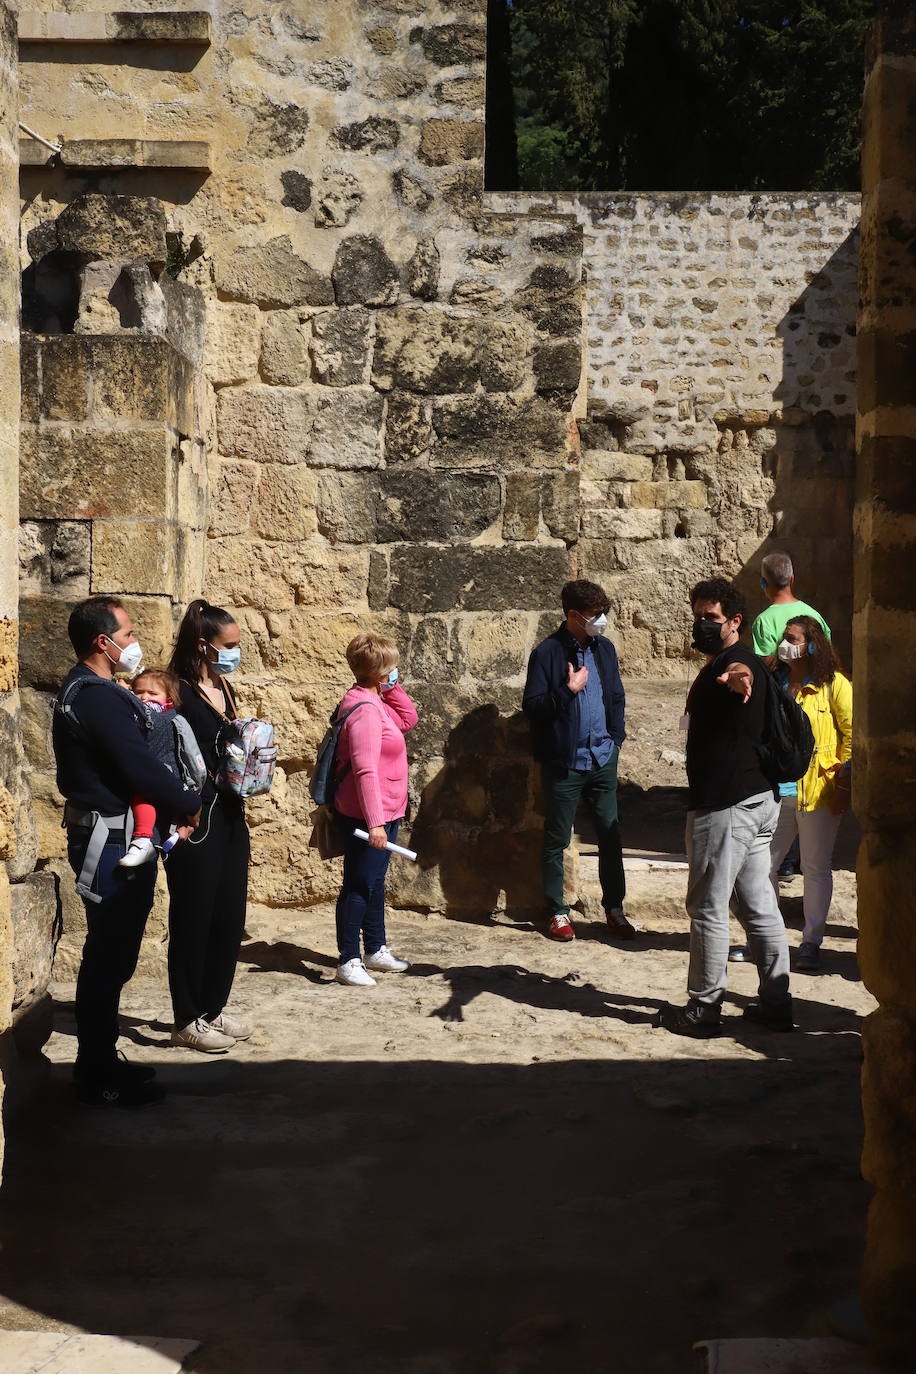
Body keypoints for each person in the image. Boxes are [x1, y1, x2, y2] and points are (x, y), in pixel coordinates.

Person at [52, 596, 201, 1107]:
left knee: (113, 956)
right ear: (103, 641)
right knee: (108, 955)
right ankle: (96, 1075)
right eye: (129, 634)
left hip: (114, 831)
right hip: (109, 837)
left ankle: (101, 1059)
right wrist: (187, 801)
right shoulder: (95, 696)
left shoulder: (91, 691)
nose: (134, 643)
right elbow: (137, 764)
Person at [657, 578, 792, 1037]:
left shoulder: (738, 665)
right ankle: (777, 1002)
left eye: (711, 618)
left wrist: (739, 680)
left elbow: (742, 683)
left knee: (709, 906)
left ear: (735, 621)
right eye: (697, 617)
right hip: (758, 801)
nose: (702, 625)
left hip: (727, 805)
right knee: (758, 904)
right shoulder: (735, 659)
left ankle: (703, 1007)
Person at [522, 579, 632, 943]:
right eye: (594, 615)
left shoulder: (605, 649)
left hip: (602, 757)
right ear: (572, 615)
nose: (601, 620)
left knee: (610, 835)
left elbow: (615, 696)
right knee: (557, 838)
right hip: (565, 762)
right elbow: (534, 707)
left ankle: (614, 908)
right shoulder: (548, 653)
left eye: (603, 613)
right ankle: (557, 911)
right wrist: (567, 691)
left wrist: (615, 740)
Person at [165, 600, 251, 1053]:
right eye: (228, 646)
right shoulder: (177, 690)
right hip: (195, 817)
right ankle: (186, 1016)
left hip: (231, 810)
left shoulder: (221, 684)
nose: (234, 654)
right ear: (203, 645)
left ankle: (213, 1008)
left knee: (228, 913)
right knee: (193, 916)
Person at [332, 633, 417, 986]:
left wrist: (392, 690)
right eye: (391, 668)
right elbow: (366, 769)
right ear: (379, 672)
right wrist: (376, 824)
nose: (396, 671)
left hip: (387, 808)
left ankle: (375, 947)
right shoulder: (365, 712)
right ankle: (349, 958)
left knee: (374, 881)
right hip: (370, 814)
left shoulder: (376, 700)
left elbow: (407, 720)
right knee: (359, 882)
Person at [769, 617, 852, 973]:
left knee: (816, 867)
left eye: (792, 638)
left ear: (811, 644)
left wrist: (844, 785)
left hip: (820, 790)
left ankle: (811, 941)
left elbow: (853, 736)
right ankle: (768, 937)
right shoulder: (778, 682)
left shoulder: (835, 685)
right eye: (784, 638)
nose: (785, 644)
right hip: (782, 787)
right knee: (764, 865)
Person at [118, 667, 202, 868]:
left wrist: (124, 694)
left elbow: (145, 717)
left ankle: (142, 840)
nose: (145, 697)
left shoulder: (161, 715)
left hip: (161, 774)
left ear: (169, 699)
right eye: (139, 692)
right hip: (162, 774)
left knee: (142, 799)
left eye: (153, 693)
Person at [751, 551, 830, 657]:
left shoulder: (763, 621)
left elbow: (766, 666)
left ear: (764, 583)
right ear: (792, 579)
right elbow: (826, 655)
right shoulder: (815, 616)